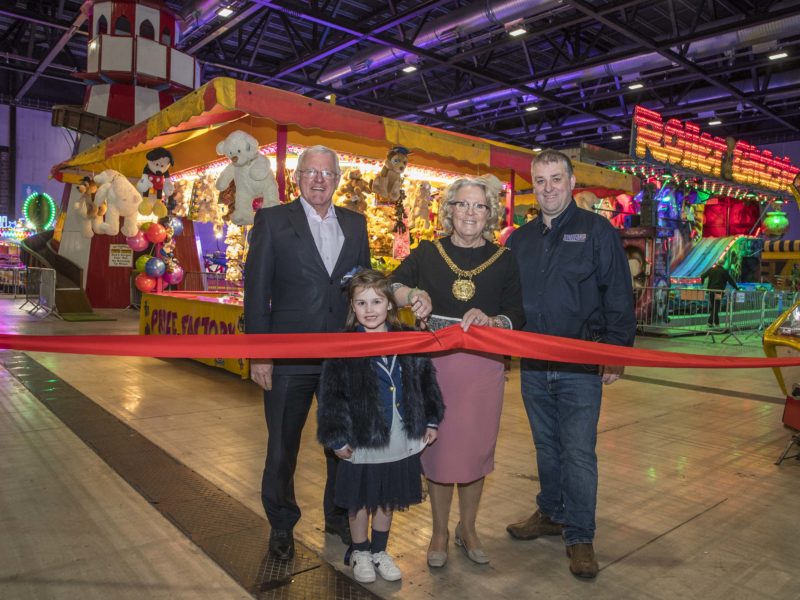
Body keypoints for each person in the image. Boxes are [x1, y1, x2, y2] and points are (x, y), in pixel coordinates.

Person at [505, 150, 636, 580]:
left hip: (580, 364)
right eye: (539, 180)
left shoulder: (597, 232)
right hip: (534, 365)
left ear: (572, 180)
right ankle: (552, 512)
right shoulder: (520, 240)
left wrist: (615, 351)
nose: (548, 188)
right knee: (546, 446)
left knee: (578, 451)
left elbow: (618, 293)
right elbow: (506, 297)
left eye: (555, 178)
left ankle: (580, 535)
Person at [243, 145, 371, 560]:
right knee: (282, 446)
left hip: (342, 359)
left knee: (343, 443)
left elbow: (364, 289)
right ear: (296, 178)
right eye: (310, 172)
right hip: (287, 357)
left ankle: (337, 515)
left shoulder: (356, 224)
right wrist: (260, 354)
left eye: (327, 173)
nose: (319, 179)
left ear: (337, 178)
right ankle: (281, 523)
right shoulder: (273, 221)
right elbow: (256, 291)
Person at [390, 175, 524, 568]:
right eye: (462, 204)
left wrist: (494, 319)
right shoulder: (429, 252)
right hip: (435, 369)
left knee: (475, 451)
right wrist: (412, 295)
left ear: (490, 213)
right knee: (439, 451)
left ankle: (468, 528)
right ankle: (438, 532)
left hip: (483, 371)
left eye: (479, 206)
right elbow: (391, 284)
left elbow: (518, 313)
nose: (470, 212)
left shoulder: (506, 259)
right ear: (448, 210)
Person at [317, 269, 445, 583]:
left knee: (388, 497)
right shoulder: (343, 345)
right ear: (353, 307)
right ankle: (360, 551)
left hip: (400, 437)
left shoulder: (407, 337)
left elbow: (425, 379)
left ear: (389, 304)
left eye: (377, 301)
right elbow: (331, 394)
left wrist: (430, 418)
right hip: (362, 438)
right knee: (361, 499)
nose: (370, 309)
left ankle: (379, 550)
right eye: (361, 303)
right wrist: (335, 436)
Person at [701, 260, 740, 327]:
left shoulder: (711, 270)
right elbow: (730, 281)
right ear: (723, 264)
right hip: (718, 292)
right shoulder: (724, 271)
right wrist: (736, 288)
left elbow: (702, 276)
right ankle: (710, 322)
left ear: (717, 263)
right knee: (716, 307)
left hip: (711, 291)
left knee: (714, 306)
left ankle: (717, 323)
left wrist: (702, 283)